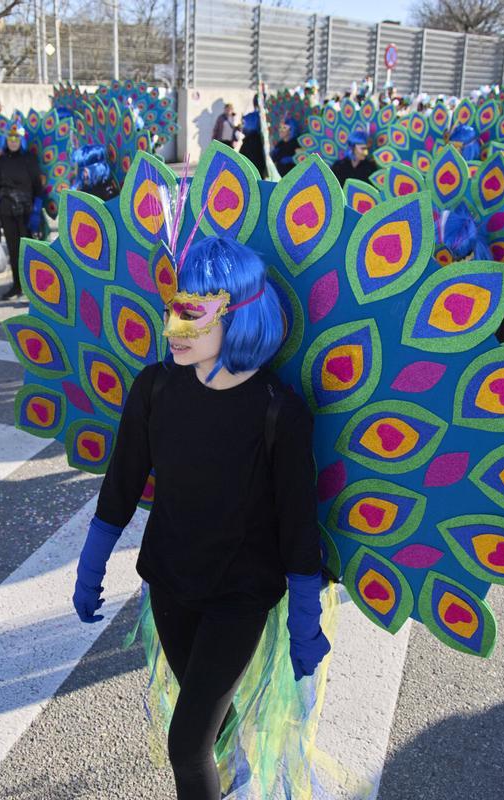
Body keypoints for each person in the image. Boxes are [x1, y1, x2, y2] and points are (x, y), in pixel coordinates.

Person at [72, 236, 331, 800]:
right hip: (170, 583)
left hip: (239, 598)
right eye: (174, 308)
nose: (174, 327)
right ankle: (233, 774)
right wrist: (90, 567)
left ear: (237, 317)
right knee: (208, 716)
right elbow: (121, 485)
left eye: (193, 313)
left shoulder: (277, 413)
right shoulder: (155, 388)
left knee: (186, 746)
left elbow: (297, 526)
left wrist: (306, 620)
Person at [0, 125, 44, 300]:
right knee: (13, 249)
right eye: (10, 139)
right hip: (6, 210)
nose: (13, 142)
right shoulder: (1, 160)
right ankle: (17, 285)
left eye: (16, 139)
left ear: (22, 140)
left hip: (26, 211)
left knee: (27, 250)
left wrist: (36, 210)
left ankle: (31, 288)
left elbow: (38, 187)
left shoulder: (30, 159)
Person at [238, 100, 267, 178]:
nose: (242, 126)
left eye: (243, 123)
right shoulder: (252, 140)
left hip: (253, 174)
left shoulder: (252, 141)